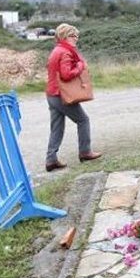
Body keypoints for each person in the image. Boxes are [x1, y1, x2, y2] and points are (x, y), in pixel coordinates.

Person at [45, 23, 102, 171]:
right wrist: (80, 66)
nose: (76, 38)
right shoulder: (66, 52)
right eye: (73, 35)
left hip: (52, 94)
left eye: (77, 36)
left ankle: (51, 159)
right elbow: (66, 74)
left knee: (57, 128)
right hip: (62, 95)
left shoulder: (56, 50)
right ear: (65, 36)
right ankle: (85, 152)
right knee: (83, 120)